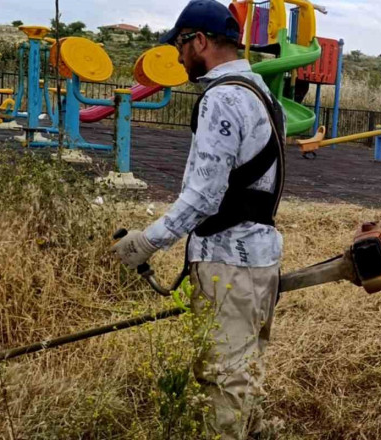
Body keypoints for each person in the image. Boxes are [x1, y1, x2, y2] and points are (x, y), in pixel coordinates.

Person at [111, 1, 286, 437]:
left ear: (200, 41)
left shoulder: (222, 97)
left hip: (229, 262)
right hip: (261, 259)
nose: (178, 56)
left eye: (180, 45)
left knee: (223, 380)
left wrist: (147, 242)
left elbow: (205, 195)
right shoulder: (263, 94)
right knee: (244, 371)